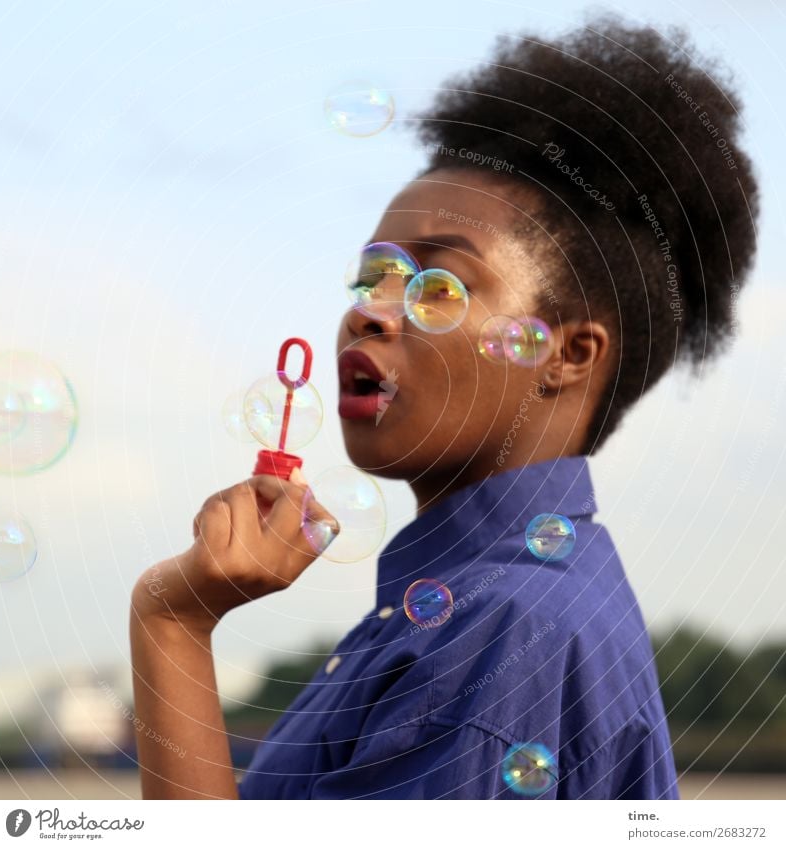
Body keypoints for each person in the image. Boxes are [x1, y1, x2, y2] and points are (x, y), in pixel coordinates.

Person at [130, 13, 759, 799]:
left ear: (567, 354)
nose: (371, 311)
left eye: (437, 285)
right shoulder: (466, 607)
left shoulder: (506, 631)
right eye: (371, 278)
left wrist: (174, 624)